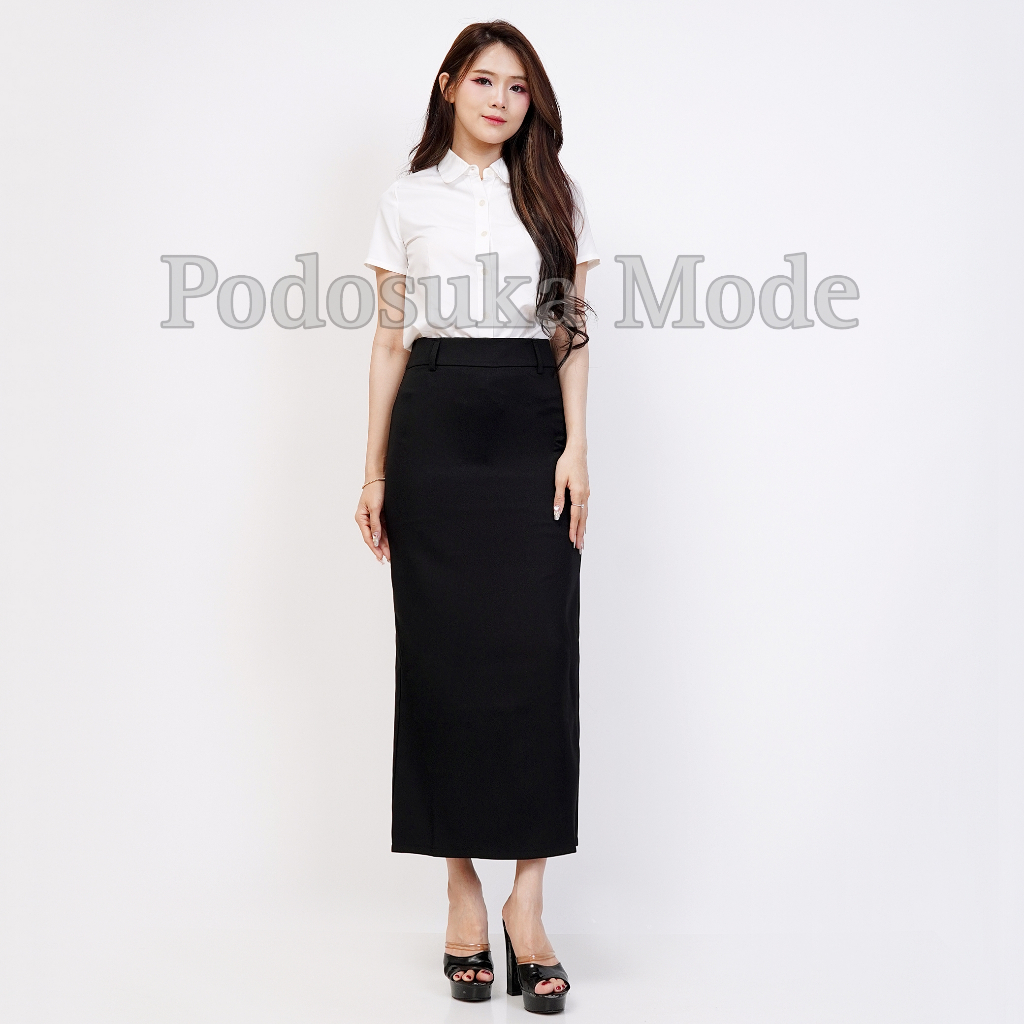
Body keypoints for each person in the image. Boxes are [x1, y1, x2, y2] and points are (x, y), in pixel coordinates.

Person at [354, 19, 598, 1014]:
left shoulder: (555, 195)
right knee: (443, 660)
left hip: (532, 424)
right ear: (450, 84)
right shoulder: (405, 199)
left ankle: (526, 906)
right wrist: (373, 472)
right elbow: (388, 341)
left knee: (540, 658)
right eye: (486, 81)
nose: (502, 100)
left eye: (519, 87)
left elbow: (570, 330)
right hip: (437, 425)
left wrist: (577, 448)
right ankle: (461, 895)